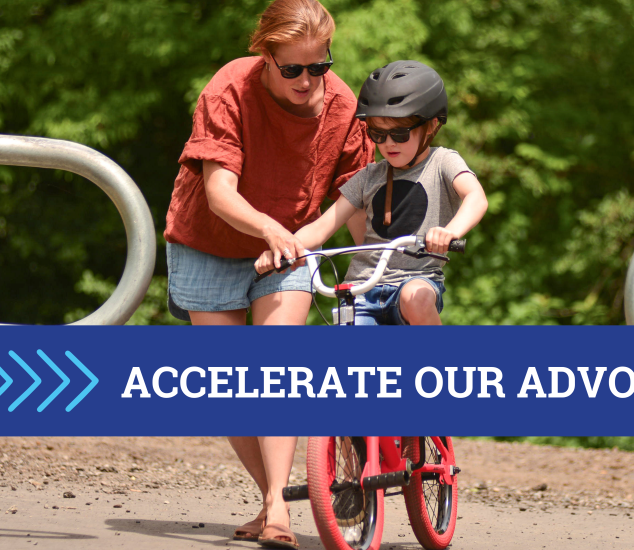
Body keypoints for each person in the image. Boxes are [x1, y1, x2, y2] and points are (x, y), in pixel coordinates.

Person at [162, 0, 373, 547]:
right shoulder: (230, 88)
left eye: (319, 66)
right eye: (293, 69)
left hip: (290, 249)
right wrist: (269, 229)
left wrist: (370, 268)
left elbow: (357, 197)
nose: (308, 80)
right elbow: (217, 192)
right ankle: (270, 497)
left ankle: (277, 507)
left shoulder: (345, 106)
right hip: (210, 241)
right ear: (266, 56)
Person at [257, 60, 488, 325]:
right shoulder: (369, 176)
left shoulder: (443, 162)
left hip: (415, 282)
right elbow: (321, 228)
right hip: (362, 288)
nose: (388, 143)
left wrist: (450, 232)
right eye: (377, 134)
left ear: (432, 125)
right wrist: (282, 250)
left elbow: (476, 198)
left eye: (400, 134)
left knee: (417, 298)